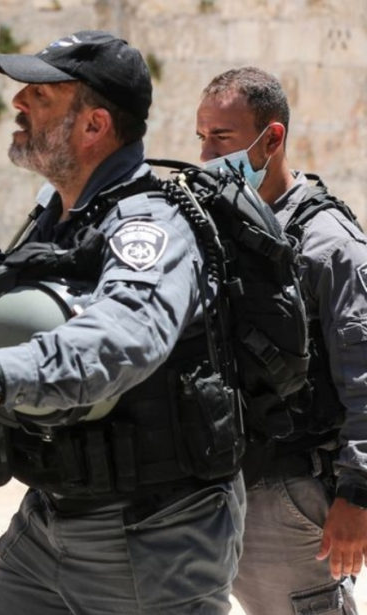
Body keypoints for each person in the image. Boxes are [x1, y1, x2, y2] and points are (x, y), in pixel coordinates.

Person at [0, 31, 246, 613]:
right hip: (52, 521)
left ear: (93, 126)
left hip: (154, 536)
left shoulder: (149, 223)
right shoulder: (55, 221)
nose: (18, 104)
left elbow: (126, 335)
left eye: (41, 95)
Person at [196, 67, 367, 615]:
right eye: (201, 137)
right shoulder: (219, 228)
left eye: (221, 138)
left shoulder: (330, 246)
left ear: (271, 139)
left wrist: (357, 497)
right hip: (221, 487)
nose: (206, 156)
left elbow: (364, 377)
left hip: (291, 497)